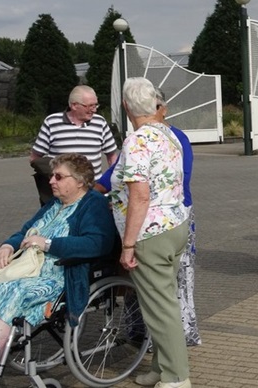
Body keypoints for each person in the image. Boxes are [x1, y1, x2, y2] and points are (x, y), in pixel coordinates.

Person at [0, 154, 115, 388]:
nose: (51, 181)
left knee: (8, 292)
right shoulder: (54, 205)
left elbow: (98, 243)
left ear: (80, 181)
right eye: (51, 176)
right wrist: (8, 245)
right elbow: (25, 231)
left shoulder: (93, 204)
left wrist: (48, 243)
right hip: (25, 272)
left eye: (58, 177)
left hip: (57, 277)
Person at [96, 88, 200, 348]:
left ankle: (169, 351)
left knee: (166, 290)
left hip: (155, 224)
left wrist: (128, 239)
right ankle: (148, 338)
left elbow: (149, 187)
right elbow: (117, 173)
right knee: (160, 289)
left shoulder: (147, 139)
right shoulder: (164, 136)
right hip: (171, 220)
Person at [109, 77, 191, 388]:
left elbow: (140, 196)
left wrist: (128, 244)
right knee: (162, 302)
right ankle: (162, 366)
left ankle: (177, 377)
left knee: (160, 307)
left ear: (127, 107)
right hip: (175, 224)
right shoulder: (168, 135)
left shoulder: (137, 141)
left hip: (150, 233)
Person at [30, 85, 119, 205]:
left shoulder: (100, 122)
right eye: (90, 106)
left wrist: (111, 185)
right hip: (61, 195)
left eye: (96, 105)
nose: (94, 109)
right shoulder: (52, 122)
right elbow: (35, 158)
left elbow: (112, 157)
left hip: (92, 192)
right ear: (74, 105)